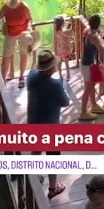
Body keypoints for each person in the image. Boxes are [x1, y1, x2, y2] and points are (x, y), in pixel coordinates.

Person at [26, 49, 71, 198]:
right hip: (50, 127)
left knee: (36, 151)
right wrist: (61, 85)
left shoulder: (31, 78)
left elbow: (34, 71)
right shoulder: (56, 85)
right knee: (53, 156)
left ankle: (34, 179)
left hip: (33, 124)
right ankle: (53, 188)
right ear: (52, 67)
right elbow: (65, 102)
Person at [0, 0, 34, 87]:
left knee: (23, 54)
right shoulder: (5, 8)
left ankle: (21, 78)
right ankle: (3, 79)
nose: (13, 9)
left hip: (23, 32)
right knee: (6, 56)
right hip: (10, 33)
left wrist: (29, 28)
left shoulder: (24, 6)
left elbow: (30, 19)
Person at [79, 14, 104, 120]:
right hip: (88, 65)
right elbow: (102, 49)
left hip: (86, 64)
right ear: (98, 24)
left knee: (91, 86)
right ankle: (83, 112)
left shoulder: (87, 31)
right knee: (87, 89)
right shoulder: (93, 36)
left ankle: (94, 106)